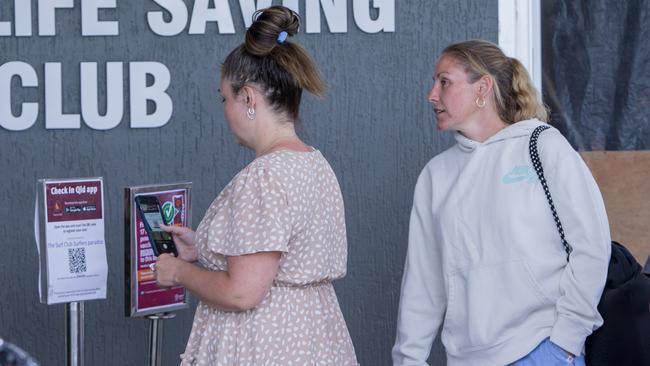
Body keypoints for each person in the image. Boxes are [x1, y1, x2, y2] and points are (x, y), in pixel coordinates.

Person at [151, 6, 358, 365]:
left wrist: (178, 271)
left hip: (264, 345)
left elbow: (242, 293)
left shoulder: (263, 176)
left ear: (248, 98)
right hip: (316, 339)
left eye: (224, 98)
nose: (224, 110)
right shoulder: (315, 164)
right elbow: (280, 256)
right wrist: (202, 246)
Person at [392, 39, 611, 366]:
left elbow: (591, 245)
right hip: (466, 359)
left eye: (445, 82)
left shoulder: (542, 146)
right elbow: (423, 282)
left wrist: (566, 342)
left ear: (482, 87)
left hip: (541, 350)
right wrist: (409, 359)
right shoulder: (435, 176)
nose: (432, 95)